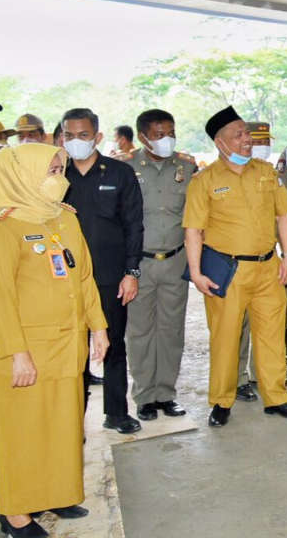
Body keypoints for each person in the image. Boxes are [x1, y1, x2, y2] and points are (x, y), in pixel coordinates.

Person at [0, 143, 110, 538]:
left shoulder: (64, 218)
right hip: (23, 350)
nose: (59, 178)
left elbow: (83, 277)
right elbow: (0, 296)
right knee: (22, 434)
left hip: (66, 345)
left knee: (63, 427)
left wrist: (97, 328)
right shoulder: (1, 227)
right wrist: (18, 354)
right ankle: (15, 514)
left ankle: (55, 491)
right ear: (21, 175)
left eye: (58, 169)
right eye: (49, 171)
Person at [183, 106, 287, 427]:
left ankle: (276, 397)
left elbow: (284, 215)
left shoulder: (266, 172)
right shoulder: (204, 181)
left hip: (268, 267)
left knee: (271, 335)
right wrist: (196, 273)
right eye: (237, 135)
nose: (246, 140)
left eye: (247, 134)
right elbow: (193, 231)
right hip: (228, 271)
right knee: (225, 339)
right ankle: (222, 401)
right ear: (220, 143)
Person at [59, 108, 144, 435]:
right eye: (69, 136)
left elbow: (134, 225)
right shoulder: (55, 173)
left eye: (83, 136)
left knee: (112, 344)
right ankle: (71, 420)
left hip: (110, 276)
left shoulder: (119, 173)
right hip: (64, 279)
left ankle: (116, 412)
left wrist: (131, 271)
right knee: (72, 349)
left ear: (96, 137)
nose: (75, 142)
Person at [124, 109, 195, 422]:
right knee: (140, 332)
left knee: (171, 331)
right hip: (140, 262)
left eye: (170, 132)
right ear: (143, 137)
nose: (166, 138)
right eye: (158, 134)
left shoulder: (187, 167)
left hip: (175, 260)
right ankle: (144, 395)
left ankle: (165, 393)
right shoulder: (125, 168)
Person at [235, 121, 277, 395]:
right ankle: (237, 379)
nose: (261, 147)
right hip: (236, 263)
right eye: (256, 141)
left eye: (265, 142)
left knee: (265, 324)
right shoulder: (225, 175)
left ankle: (260, 376)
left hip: (267, 260)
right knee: (238, 326)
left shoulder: (270, 174)